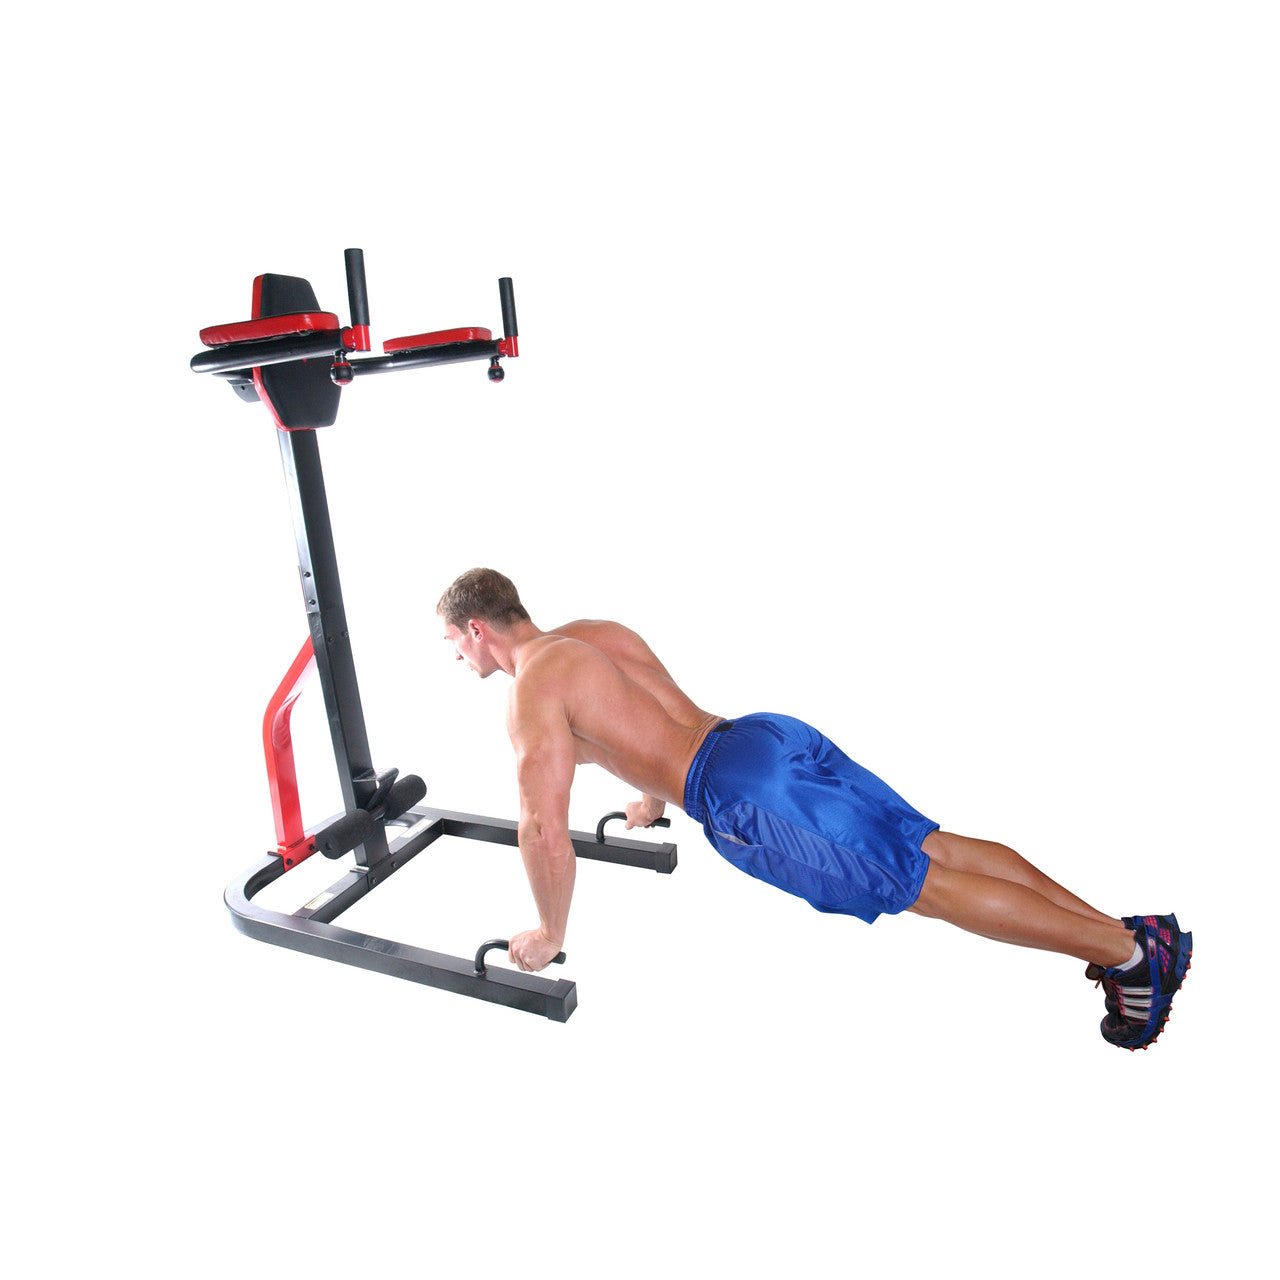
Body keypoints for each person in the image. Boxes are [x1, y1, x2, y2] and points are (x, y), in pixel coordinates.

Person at [437, 567, 1192, 1049]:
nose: (456, 658)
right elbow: (638, 720)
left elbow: (543, 828)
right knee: (934, 847)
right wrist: (646, 801)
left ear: (479, 629)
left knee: (923, 887)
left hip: (745, 798)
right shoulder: (588, 637)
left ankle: (1127, 958)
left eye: (453, 643)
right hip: (762, 738)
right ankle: (1132, 936)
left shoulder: (531, 690)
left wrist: (549, 932)